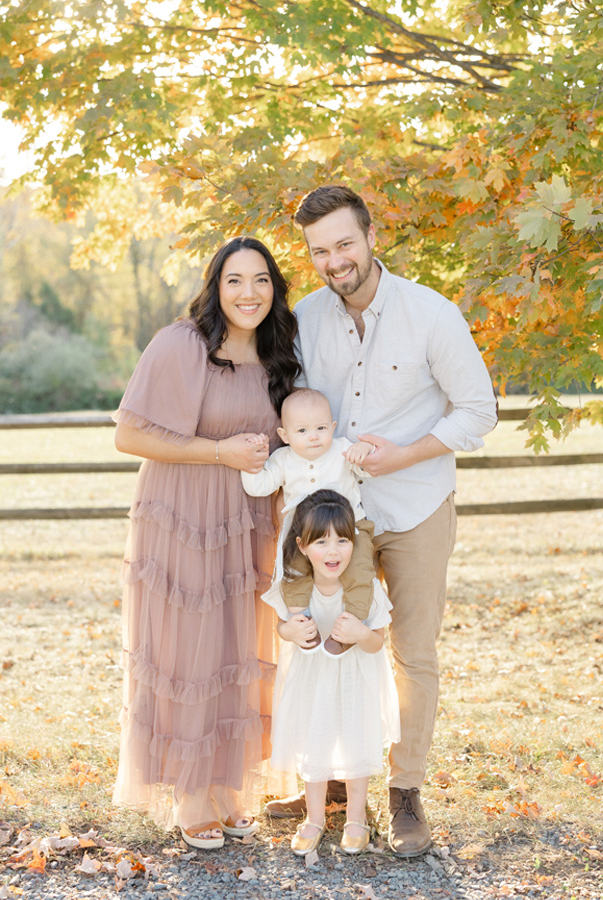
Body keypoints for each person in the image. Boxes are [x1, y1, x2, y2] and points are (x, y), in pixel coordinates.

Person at [269, 185, 497, 857]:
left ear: (371, 236)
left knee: (412, 650)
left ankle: (404, 795)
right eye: (319, 251)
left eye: (344, 243)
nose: (334, 260)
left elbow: (476, 411)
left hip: (418, 504)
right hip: (338, 523)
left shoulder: (431, 313)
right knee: (332, 640)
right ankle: (339, 783)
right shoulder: (306, 320)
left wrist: (405, 455)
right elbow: (287, 409)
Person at [111, 236, 300, 850]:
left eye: (262, 280)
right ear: (215, 286)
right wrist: (218, 451)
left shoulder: (278, 354)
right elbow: (130, 437)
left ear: (276, 289)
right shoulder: (182, 345)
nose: (250, 293)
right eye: (236, 280)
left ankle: (227, 788)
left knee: (237, 647)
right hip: (183, 512)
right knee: (189, 651)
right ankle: (190, 794)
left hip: (249, 518)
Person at [268, 490, 399, 857]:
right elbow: (282, 626)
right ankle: (313, 817)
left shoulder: (364, 588)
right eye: (322, 541)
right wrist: (290, 631)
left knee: (357, 742)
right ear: (302, 545)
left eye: (343, 540)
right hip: (312, 681)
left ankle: (356, 817)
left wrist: (360, 634)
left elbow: (377, 641)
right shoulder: (296, 587)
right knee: (315, 743)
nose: (334, 551)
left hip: (355, 679)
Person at [241, 388, 377, 653]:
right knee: (294, 572)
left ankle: (351, 625)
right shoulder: (282, 460)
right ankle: (302, 622)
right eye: (302, 431)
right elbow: (259, 487)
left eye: (321, 428)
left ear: (333, 427)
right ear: (284, 435)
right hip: (302, 535)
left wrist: (365, 450)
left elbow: (367, 468)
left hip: (350, 530)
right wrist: (252, 462)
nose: (313, 436)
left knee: (361, 571)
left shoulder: (341, 450)